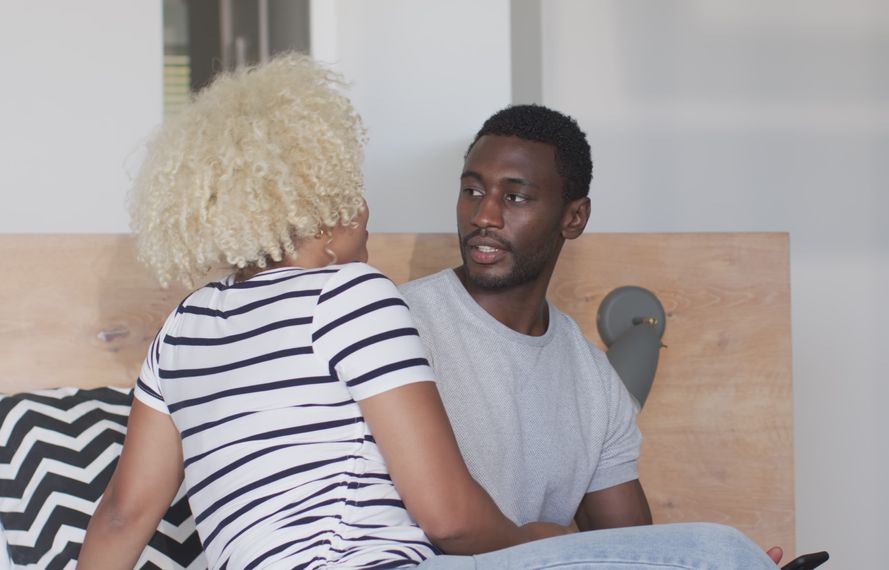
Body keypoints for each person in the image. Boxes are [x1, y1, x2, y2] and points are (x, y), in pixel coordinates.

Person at [77, 56, 566, 570]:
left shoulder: (182, 328)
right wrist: (538, 541)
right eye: (350, 191)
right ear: (329, 214)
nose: (366, 210)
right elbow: (449, 518)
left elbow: (122, 516)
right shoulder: (348, 296)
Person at [401, 104, 782, 568]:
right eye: (472, 190)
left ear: (574, 218)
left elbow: (631, 554)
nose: (485, 215)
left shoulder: (595, 382)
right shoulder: (398, 324)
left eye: (516, 197)